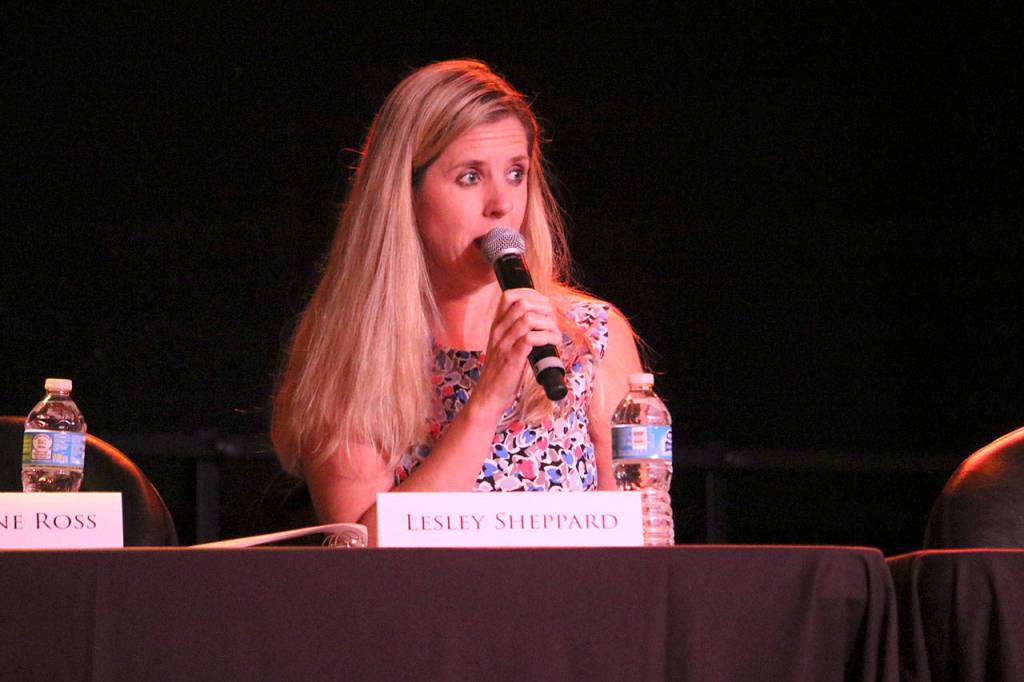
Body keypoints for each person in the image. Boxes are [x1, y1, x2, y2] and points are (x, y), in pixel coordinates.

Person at [271, 59, 643, 543]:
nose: (501, 203)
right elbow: (362, 555)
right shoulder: (355, 357)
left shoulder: (591, 336)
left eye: (515, 173)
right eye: (470, 177)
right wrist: (485, 402)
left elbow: (641, 552)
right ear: (406, 194)